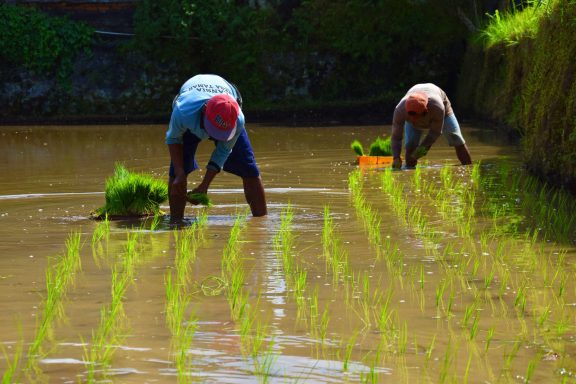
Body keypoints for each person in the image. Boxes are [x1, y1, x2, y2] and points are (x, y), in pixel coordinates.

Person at [165, 74, 267, 222]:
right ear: (205, 111)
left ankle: (261, 223)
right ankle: (176, 223)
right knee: (176, 173)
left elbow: (223, 151)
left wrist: (204, 185)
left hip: (226, 111)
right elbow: (173, 139)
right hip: (192, 119)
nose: (215, 136)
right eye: (214, 131)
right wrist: (180, 172)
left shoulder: (237, 120)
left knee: (249, 169)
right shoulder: (183, 112)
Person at [390, 83, 472, 169]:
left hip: (441, 104)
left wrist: (420, 151)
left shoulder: (438, 107)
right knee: (410, 146)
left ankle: (469, 169)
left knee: (456, 138)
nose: (413, 120)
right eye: (410, 116)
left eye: (416, 117)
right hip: (419, 95)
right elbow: (396, 137)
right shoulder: (400, 110)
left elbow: (434, 133)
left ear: (425, 111)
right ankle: (409, 172)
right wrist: (396, 157)